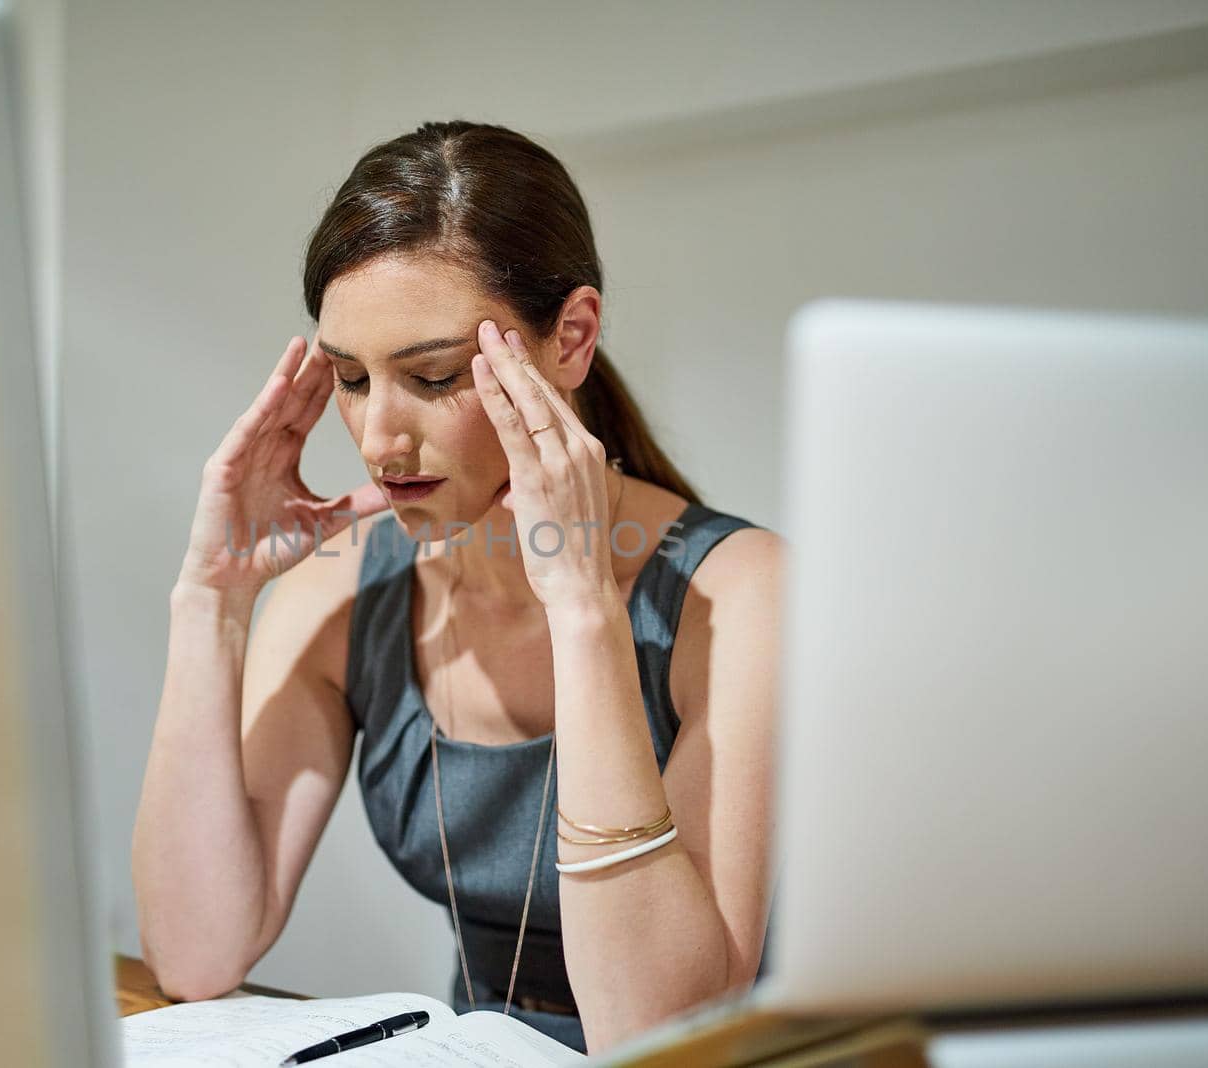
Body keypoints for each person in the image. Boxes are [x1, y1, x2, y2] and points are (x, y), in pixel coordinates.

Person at [132, 120, 782, 1055]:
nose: (380, 437)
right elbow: (196, 954)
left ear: (572, 336)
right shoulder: (345, 590)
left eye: (432, 376)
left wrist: (583, 609)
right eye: (352, 379)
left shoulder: (738, 592)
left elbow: (659, 1031)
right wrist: (210, 604)